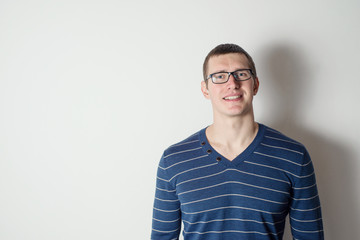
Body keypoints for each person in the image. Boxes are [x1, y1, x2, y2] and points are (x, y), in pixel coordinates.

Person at [151, 43, 324, 240]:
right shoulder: (174, 161)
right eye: (219, 76)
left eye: (241, 74)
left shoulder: (294, 156)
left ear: (255, 84)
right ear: (205, 89)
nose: (232, 83)